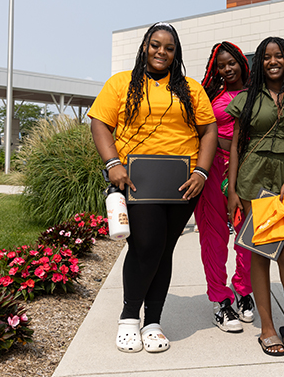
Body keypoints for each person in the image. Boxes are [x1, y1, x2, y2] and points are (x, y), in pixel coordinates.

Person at [88, 22, 217, 353]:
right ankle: (130, 316)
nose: (162, 52)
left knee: (164, 249)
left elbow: (208, 130)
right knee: (145, 245)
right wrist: (112, 163)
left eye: (169, 47)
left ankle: (153, 321)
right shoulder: (121, 83)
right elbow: (100, 122)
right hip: (136, 178)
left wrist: (202, 172)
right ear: (144, 46)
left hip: (182, 181)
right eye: (156, 45)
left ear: (177, 53)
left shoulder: (190, 88)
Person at [226, 36, 284, 356]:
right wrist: (233, 190)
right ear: (259, 63)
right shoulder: (247, 98)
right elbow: (237, 145)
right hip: (253, 179)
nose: (272, 61)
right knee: (259, 252)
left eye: (278, 56)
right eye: (266, 57)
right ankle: (267, 327)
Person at [195, 41, 255, 333]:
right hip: (214, 166)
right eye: (222, 64)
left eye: (232, 62)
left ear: (242, 63)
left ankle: (244, 291)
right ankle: (221, 299)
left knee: (248, 236)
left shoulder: (257, 94)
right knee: (214, 237)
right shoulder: (209, 96)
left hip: (248, 170)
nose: (227, 68)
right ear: (214, 69)